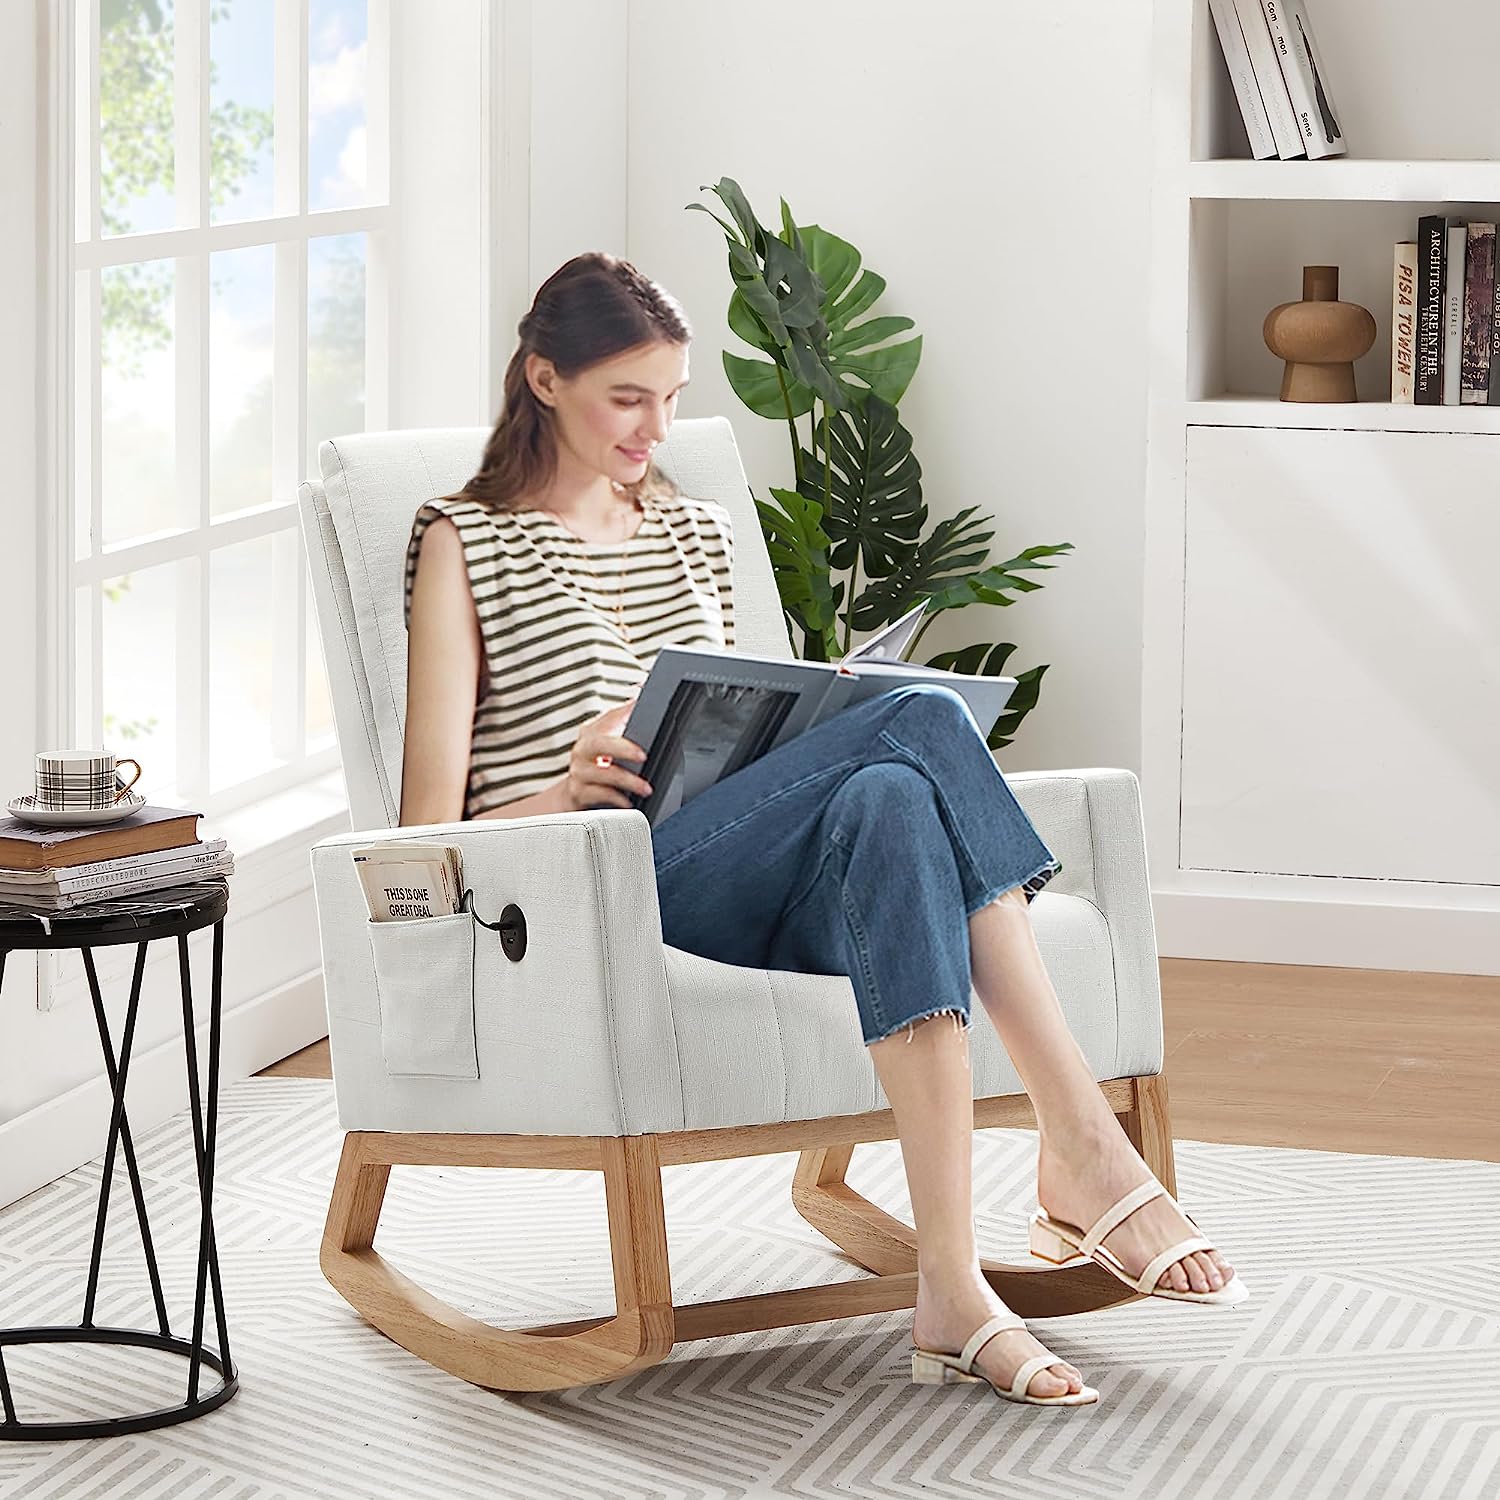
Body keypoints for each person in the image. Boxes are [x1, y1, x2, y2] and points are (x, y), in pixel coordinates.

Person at [399, 252, 1244, 1409]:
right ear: (544, 379)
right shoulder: (465, 540)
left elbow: (755, 703)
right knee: (924, 719)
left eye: (674, 397)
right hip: (607, 875)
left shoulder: (694, 530)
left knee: (893, 792)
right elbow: (417, 833)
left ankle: (949, 1285)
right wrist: (558, 787)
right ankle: (1082, 1146)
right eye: (627, 397)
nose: (656, 426)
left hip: (757, 850)